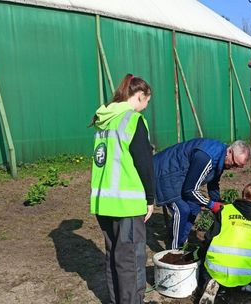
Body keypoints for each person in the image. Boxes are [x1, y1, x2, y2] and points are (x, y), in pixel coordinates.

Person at [89, 74, 155, 303]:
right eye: (147, 101)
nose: (146, 107)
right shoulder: (132, 120)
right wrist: (150, 198)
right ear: (139, 96)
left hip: (103, 201)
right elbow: (144, 163)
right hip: (127, 203)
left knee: (113, 256)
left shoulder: (104, 120)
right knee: (130, 260)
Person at [153, 139, 251, 250]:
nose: (233, 167)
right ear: (229, 151)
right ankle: (174, 250)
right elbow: (190, 190)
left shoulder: (221, 157)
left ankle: (181, 241)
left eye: (238, 166)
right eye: (234, 163)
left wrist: (218, 201)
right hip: (165, 174)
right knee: (182, 210)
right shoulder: (206, 157)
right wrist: (212, 205)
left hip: (180, 176)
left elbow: (213, 182)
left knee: (194, 206)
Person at [198, 183, 251, 304]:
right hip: (246, 272)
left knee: (206, 263)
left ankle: (213, 284)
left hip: (217, 269)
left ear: (243, 196)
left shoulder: (225, 211)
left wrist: (200, 256)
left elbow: (209, 239)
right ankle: (248, 288)